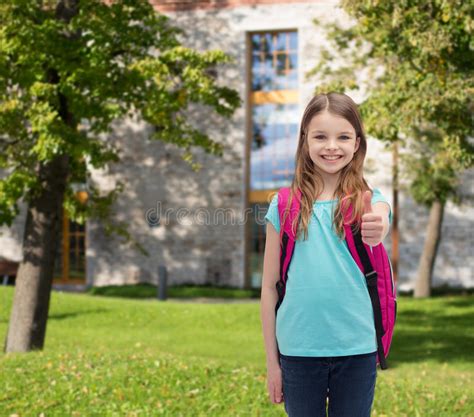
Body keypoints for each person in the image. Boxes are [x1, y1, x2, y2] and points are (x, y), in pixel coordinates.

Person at [260, 92, 393, 417]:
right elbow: (268, 288)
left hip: (357, 348)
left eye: (343, 137)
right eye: (320, 136)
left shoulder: (366, 200)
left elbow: (381, 215)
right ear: (305, 140)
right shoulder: (283, 205)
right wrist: (272, 363)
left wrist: (378, 226)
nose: (331, 146)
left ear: (357, 143)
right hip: (297, 350)